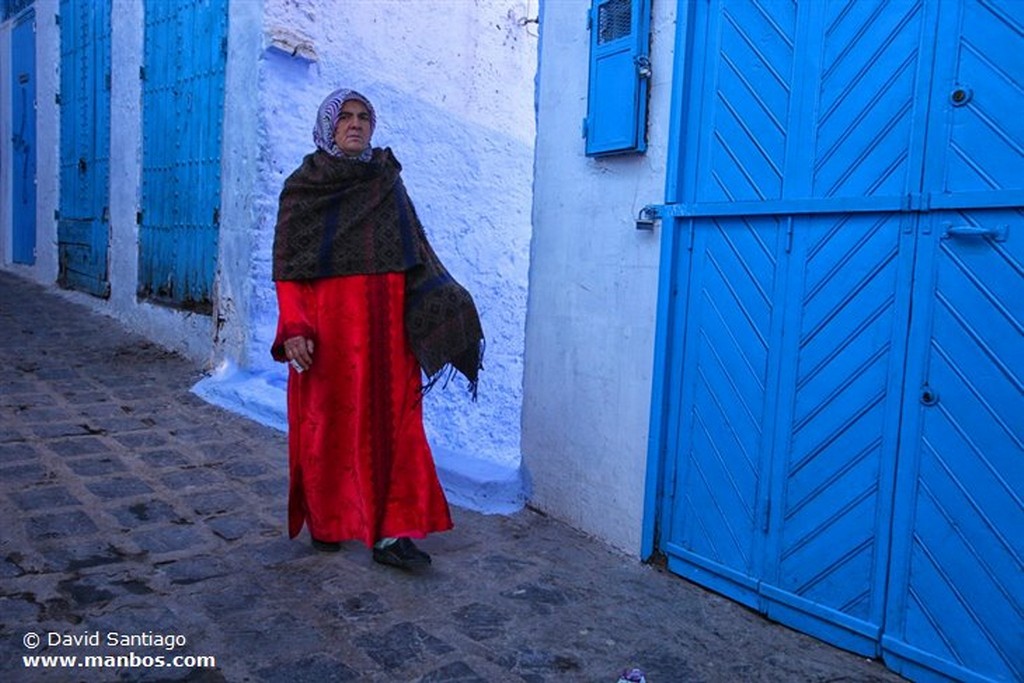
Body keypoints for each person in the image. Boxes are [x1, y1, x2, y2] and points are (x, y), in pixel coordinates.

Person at [270, 87, 483, 570]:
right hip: (329, 337)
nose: (355, 123)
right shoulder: (304, 188)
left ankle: (393, 534)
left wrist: (445, 303)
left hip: (388, 336)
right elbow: (289, 266)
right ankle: (329, 522)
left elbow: (416, 252)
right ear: (327, 126)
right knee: (327, 429)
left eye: (364, 116)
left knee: (398, 430)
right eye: (344, 116)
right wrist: (296, 328)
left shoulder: (386, 182)